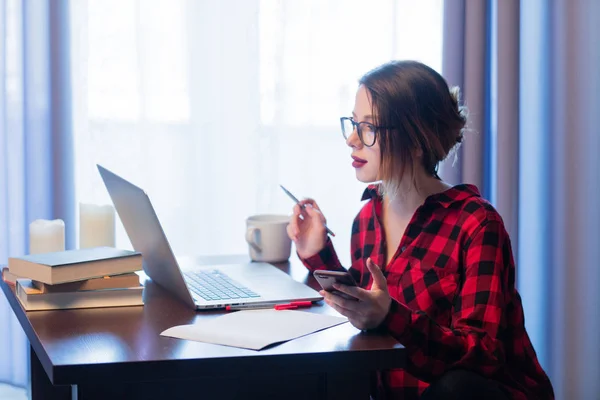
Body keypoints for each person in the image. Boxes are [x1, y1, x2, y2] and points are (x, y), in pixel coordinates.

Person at [286, 60, 554, 400]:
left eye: (368, 128)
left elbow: (482, 357)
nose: (352, 140)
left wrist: (390, 315)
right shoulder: (367, 218)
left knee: (454, 389)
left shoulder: (476, 223)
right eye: (353, 124)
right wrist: (316, 253)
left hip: (473, 395)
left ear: (415, 140)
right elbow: (367, 306)